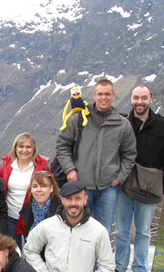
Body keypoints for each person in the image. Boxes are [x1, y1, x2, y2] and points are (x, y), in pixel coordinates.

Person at [56, 79, 137, 234]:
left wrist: (119, 178)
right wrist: (70, 170)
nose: (103, 98)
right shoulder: (80, 118)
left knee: (102, 232)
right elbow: (62, 145)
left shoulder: (122, 124)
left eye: (107, 94)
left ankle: (98, 260)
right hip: (81, 186)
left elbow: (130, 155)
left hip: (108, 188)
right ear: (94, 95)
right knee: (77, 229)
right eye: (100, 94)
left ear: (114, 95)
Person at [112, 85, 164, 272]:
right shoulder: (123, 122)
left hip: (149, 185)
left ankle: (140, 269)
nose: (139, 102)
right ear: (131, 99)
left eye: (143, 98)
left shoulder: (162, 126)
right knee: (121, 229)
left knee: (143, 230)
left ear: (151, 99)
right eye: (136, 98)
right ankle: (119, 266)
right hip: (124, 183)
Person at [0, 133, 49, 250]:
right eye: (21, 146)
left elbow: (49, 190)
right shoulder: (7, 166)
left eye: (28, 147)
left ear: (34, 149)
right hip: (11, 216)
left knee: (34, 250)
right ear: (15, 148)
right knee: (13, 251)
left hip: (33, 217)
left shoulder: (40, 168)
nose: (24, 150)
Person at [15, 171, 61, 239]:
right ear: (31, 189)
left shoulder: (60, 211)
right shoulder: (28, 210)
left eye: (43, 186)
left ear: (51, 188)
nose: (38, 190)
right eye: (35, 186)